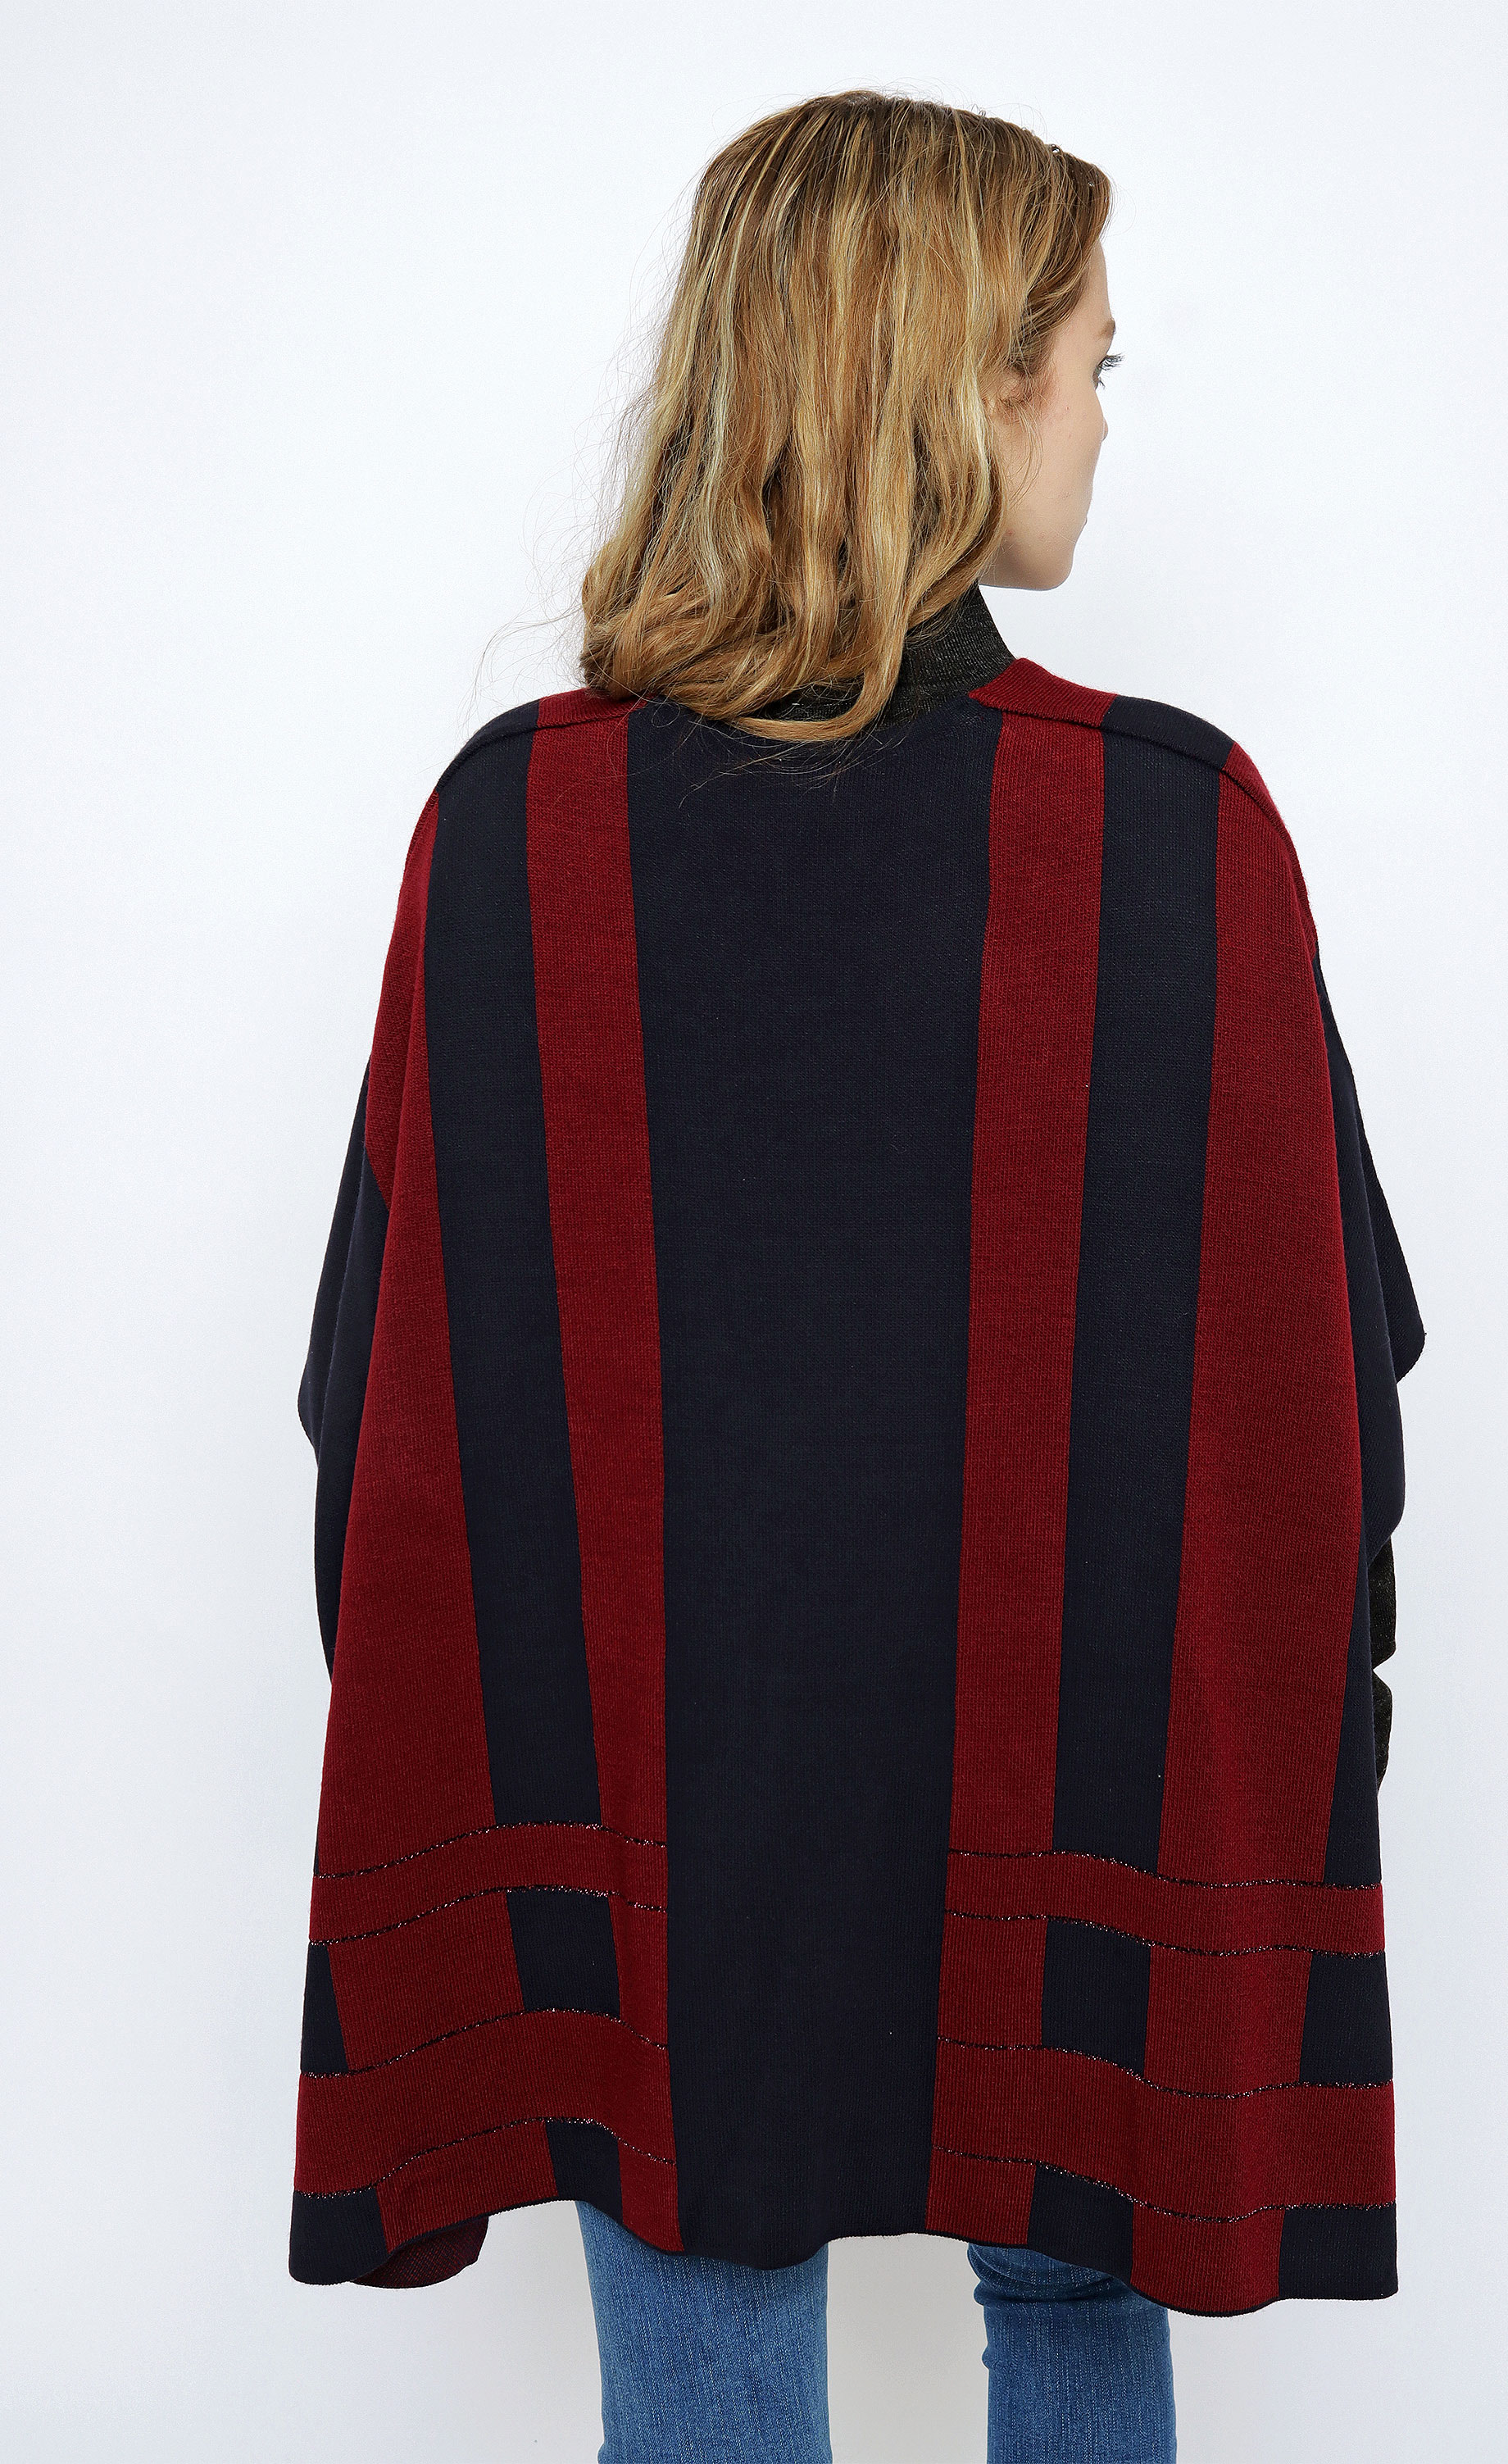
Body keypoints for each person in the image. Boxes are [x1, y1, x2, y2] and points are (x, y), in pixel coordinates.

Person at [288, 91, 1424, 2464]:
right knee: (1079, 2299)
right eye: (1089, 365)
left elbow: (379, 1404)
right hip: (1079, 1796)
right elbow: (1322, 1398)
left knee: (695, 2323)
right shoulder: (1165, 825)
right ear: (968, 381)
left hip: (660, 1812)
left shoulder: (518, 824)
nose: (1102, 422)